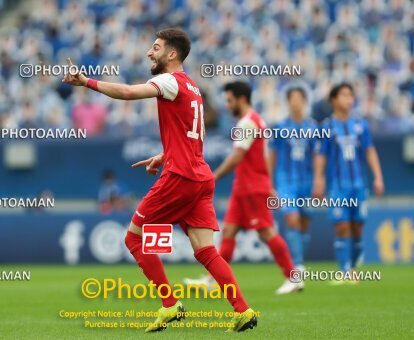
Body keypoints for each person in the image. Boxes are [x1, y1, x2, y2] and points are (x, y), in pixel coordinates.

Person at [62, 28, 257, 333]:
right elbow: (191, 136)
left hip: (180, 177)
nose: (149, 53)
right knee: (206, 251)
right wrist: (164, 154)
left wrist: (85, 82)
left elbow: (127, 93)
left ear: (172, 54)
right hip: (199, 177)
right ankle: (243, 310)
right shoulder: (192, 87)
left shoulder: (169, 80)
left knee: (133, 237)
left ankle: (170, 305)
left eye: (155, 47)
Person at [184, 81, 302, 295]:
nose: (227, 106)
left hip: (251, 188)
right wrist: (269, 184)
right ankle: (213, 279)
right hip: (244, 187)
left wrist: (215, 175)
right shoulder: (256, 121)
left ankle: (292, 277)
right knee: (229, 230)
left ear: (241, 99)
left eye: (229, 101)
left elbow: (238, 155)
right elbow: (263, 157)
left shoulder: (247, 123)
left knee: (266, 232)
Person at [313, 83, 384, 281]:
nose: (349, 99)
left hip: (359, 185)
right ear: (334, 100)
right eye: (344, 95)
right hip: (338, 186)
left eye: (351, 95)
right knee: (342, 226)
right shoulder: (326, 126)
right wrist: (319, 180)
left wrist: (378, 176)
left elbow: (370, 151)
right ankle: (345, 271)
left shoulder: (361, 125)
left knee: (358, 227)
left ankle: (353, 268)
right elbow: (321, 155)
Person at [269, 86, 317, 272]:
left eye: (299, 98)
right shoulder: (280, 127)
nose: (295, 102)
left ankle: (298, 260)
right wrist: (270, 181)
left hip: (308, 180)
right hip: (286, 181)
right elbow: (272, 155)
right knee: (292, 220)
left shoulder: (313, 127)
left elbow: (318, 156)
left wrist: (319, 180)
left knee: (304, 223)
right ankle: (296, 264)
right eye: (292, 98)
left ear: (304, 101)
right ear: (288, 102)